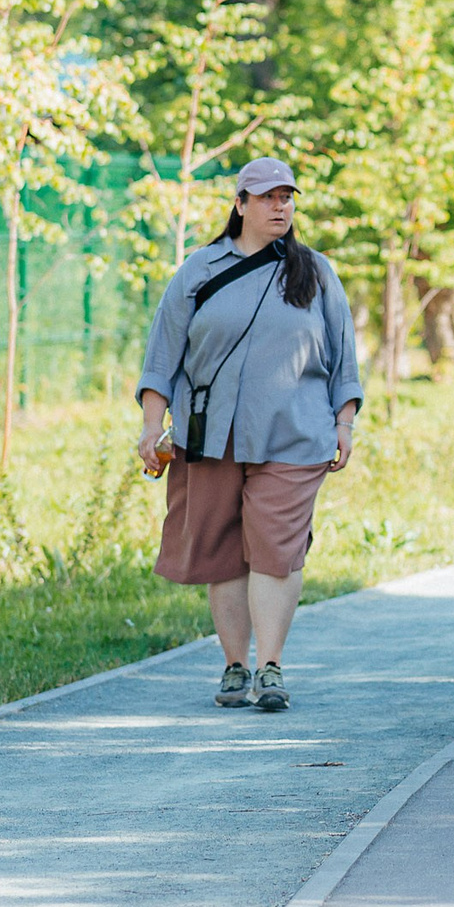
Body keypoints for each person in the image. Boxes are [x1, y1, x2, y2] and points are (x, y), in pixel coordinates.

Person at [136, 157, 359, 716]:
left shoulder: (314, 272)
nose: (279, 207)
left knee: (276, 549)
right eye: (266, 197)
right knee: (222, 550)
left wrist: (345, 422)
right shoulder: (200, 269)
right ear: (239, 205)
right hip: (211, 432)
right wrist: (151, 427)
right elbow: (162, 357)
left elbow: (344, 358)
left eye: (287, 197)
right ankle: (235, 664)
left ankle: (270, 665)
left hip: (295, 433)